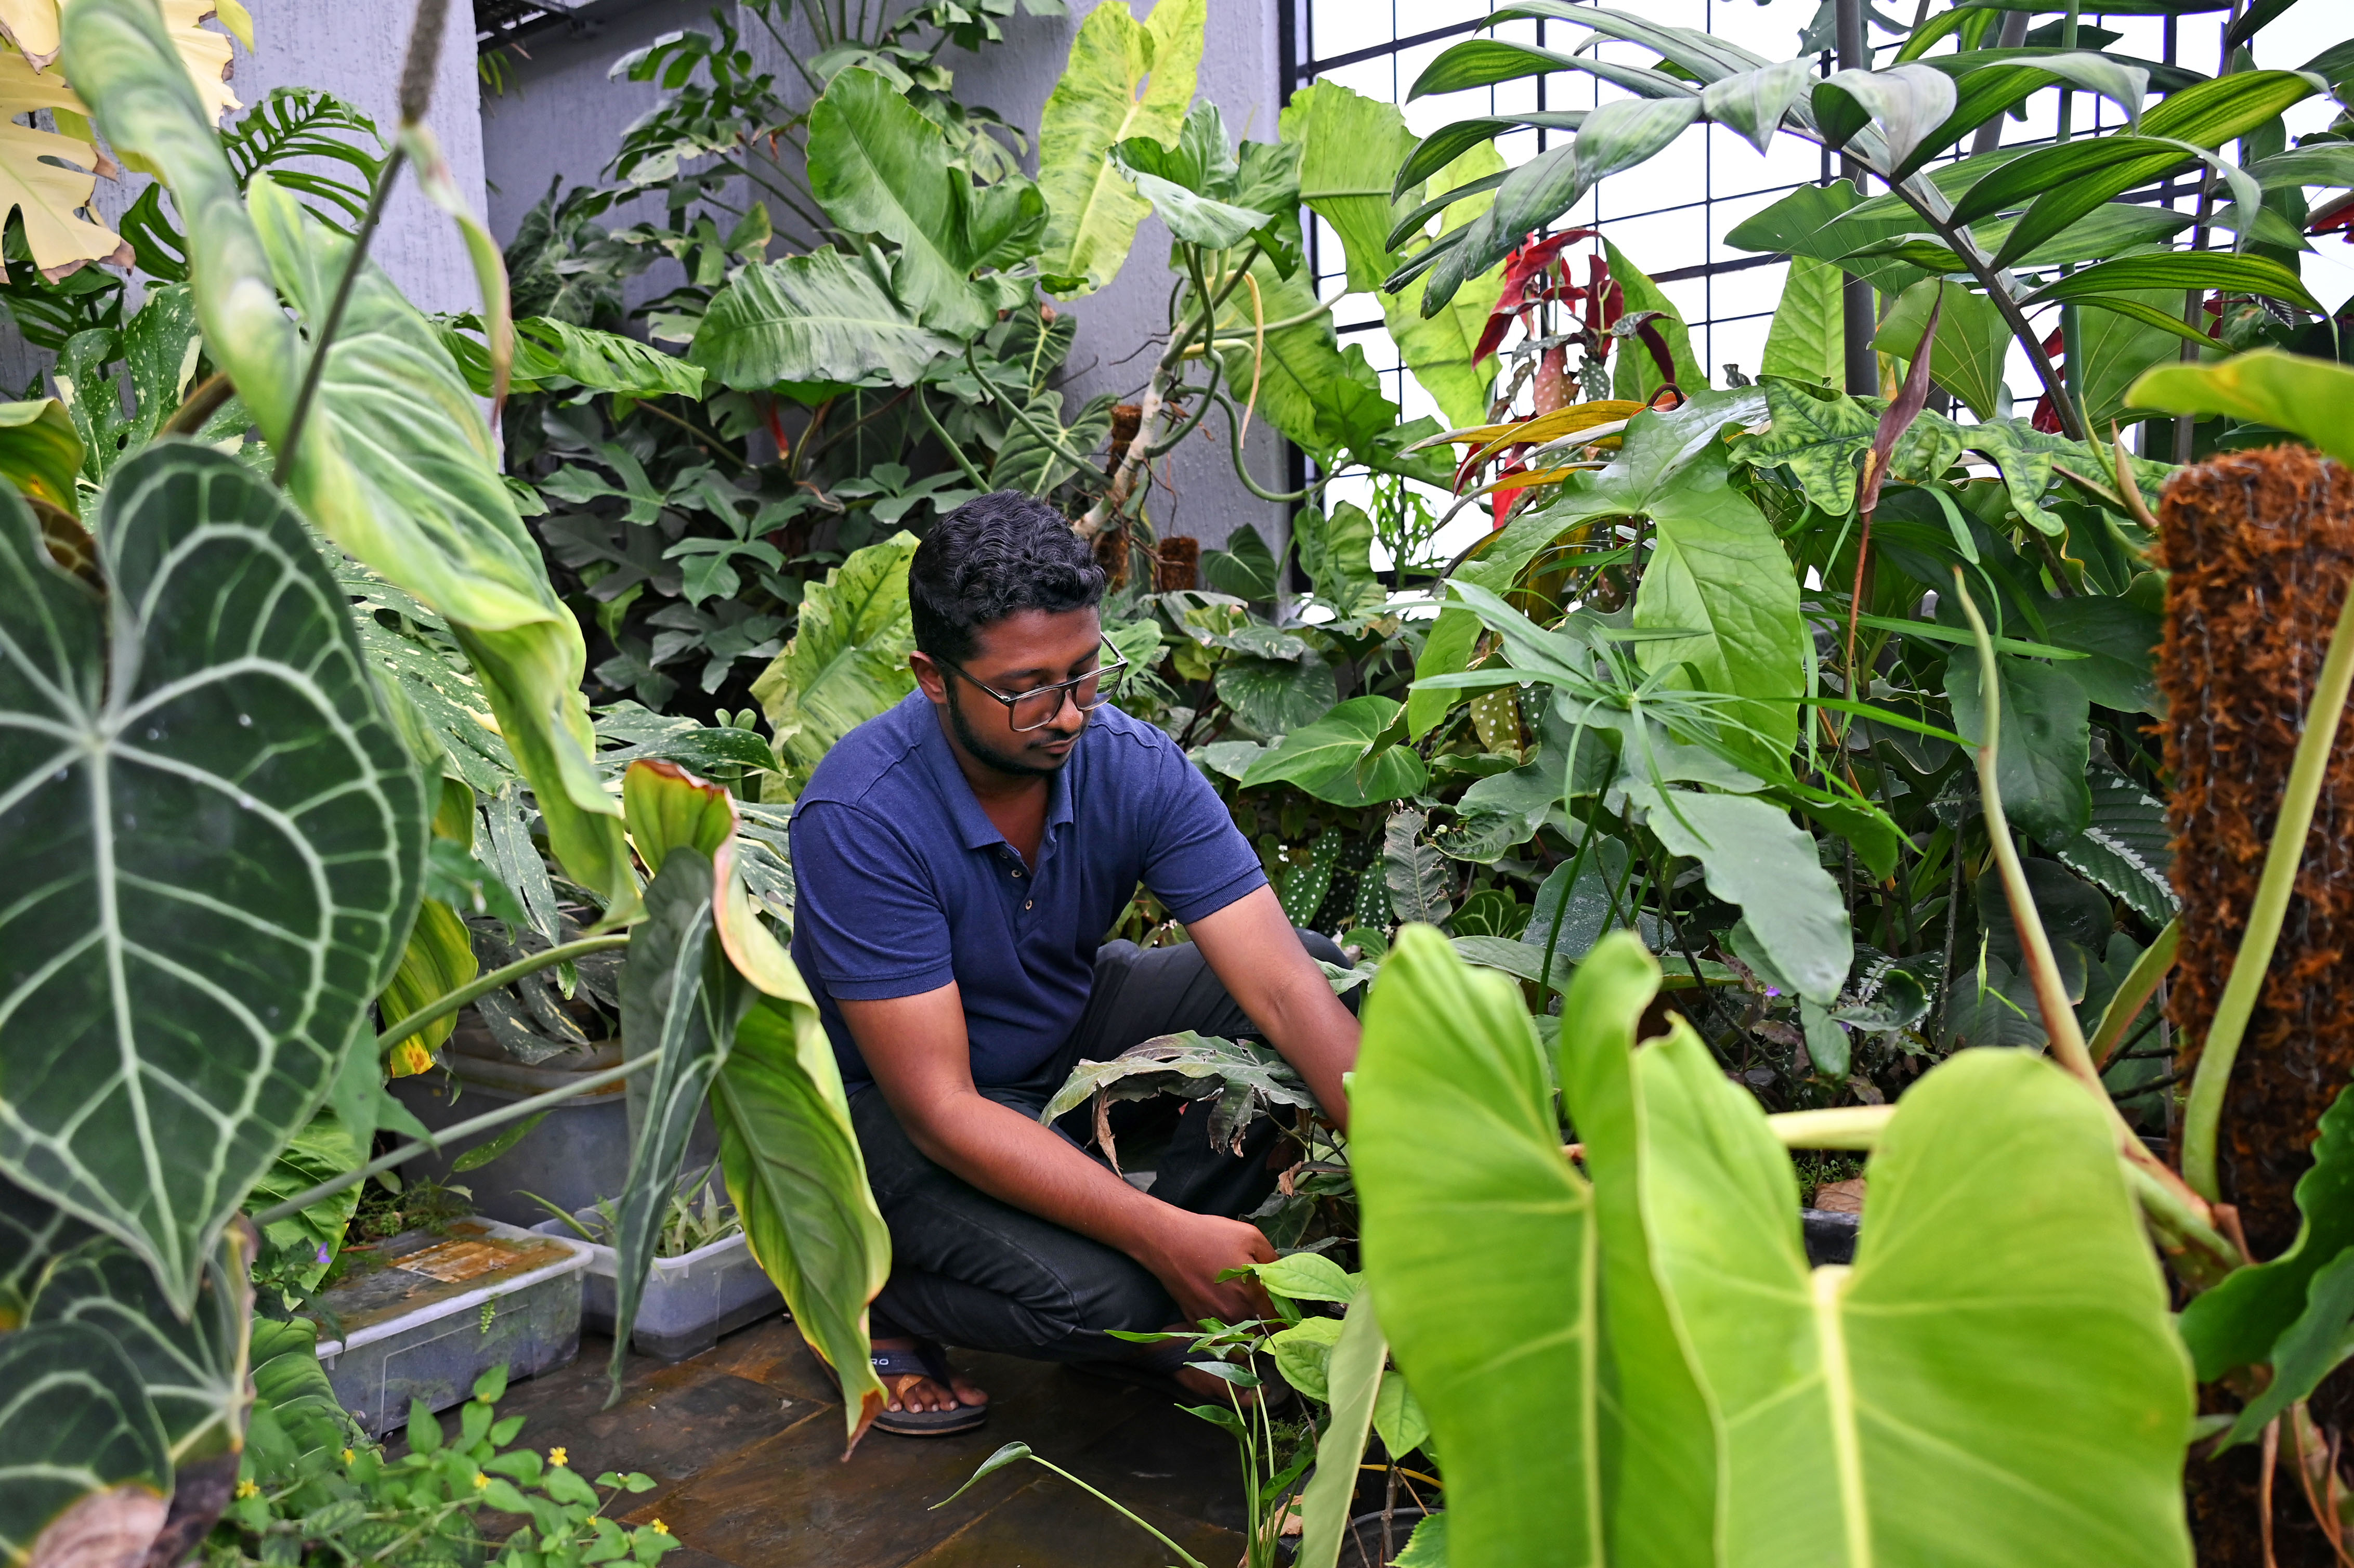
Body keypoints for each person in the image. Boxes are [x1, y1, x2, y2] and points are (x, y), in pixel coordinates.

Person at [787, 492, 1362, 1437]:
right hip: (881, 1118)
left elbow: (1283, 987)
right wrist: (1156, 1239)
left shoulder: (1126, 760)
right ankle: (868, 1293)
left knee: (1320, 967)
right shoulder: (861, 816)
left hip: (1057, 1035)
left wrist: (1427, 1165)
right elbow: (942, 1109)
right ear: (934, 678)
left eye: (1085, 671)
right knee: (1109, 1303)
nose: (1066, 714)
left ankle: (1182, 1295)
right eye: (1025, 688)